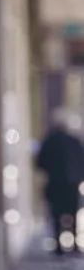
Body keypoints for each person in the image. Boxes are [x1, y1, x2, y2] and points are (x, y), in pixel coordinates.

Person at [35, 108, 84, 254]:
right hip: (71, 183)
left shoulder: (49, 141)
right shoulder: (74, 142)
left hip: (55, 183)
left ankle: (59, 246)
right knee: (71, 214)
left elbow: (40, 163)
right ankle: (73, 244)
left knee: (57, 214)